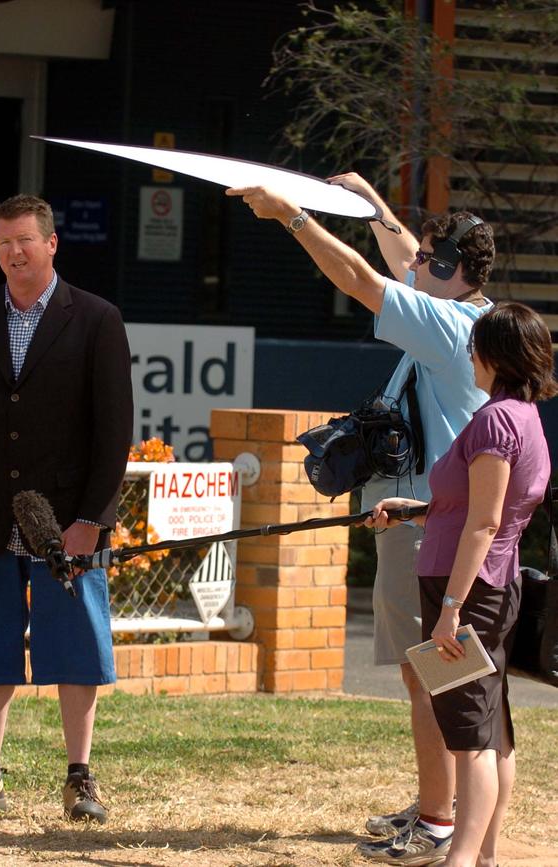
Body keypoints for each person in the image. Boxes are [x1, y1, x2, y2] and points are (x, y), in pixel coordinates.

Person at [225, 177, 495, 862]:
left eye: (426, 258)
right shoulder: (467, 315)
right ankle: (444, 803)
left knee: (430, 673)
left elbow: (360, 278)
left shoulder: (446, 325)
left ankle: (436, 819)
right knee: (434, 673)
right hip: (424, 518)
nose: (412, 264)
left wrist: (293, 218)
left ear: (448, 268)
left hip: (425, 528)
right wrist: (373, 204)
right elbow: (400, 256)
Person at [0, 195, 133, 823]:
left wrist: (91, 520)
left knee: (75, 646)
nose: (14, 253)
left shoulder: (97, 319)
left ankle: (80, 778)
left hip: (67, 523)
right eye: (3, 243)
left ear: (51, 244)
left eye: (25, 241)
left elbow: (113, 430)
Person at [363, 302, 556, 867]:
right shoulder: (524, 415)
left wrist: (451, 608)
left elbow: (487, 520)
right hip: (489, 582)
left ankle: (462, 858)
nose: (468, 355)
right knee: (492, 730)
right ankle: (485, 855)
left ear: (495, 354)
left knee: (468, 737)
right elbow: (475, 507)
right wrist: (417, 510)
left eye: (475, 346)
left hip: (466, 586)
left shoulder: (496, 421)